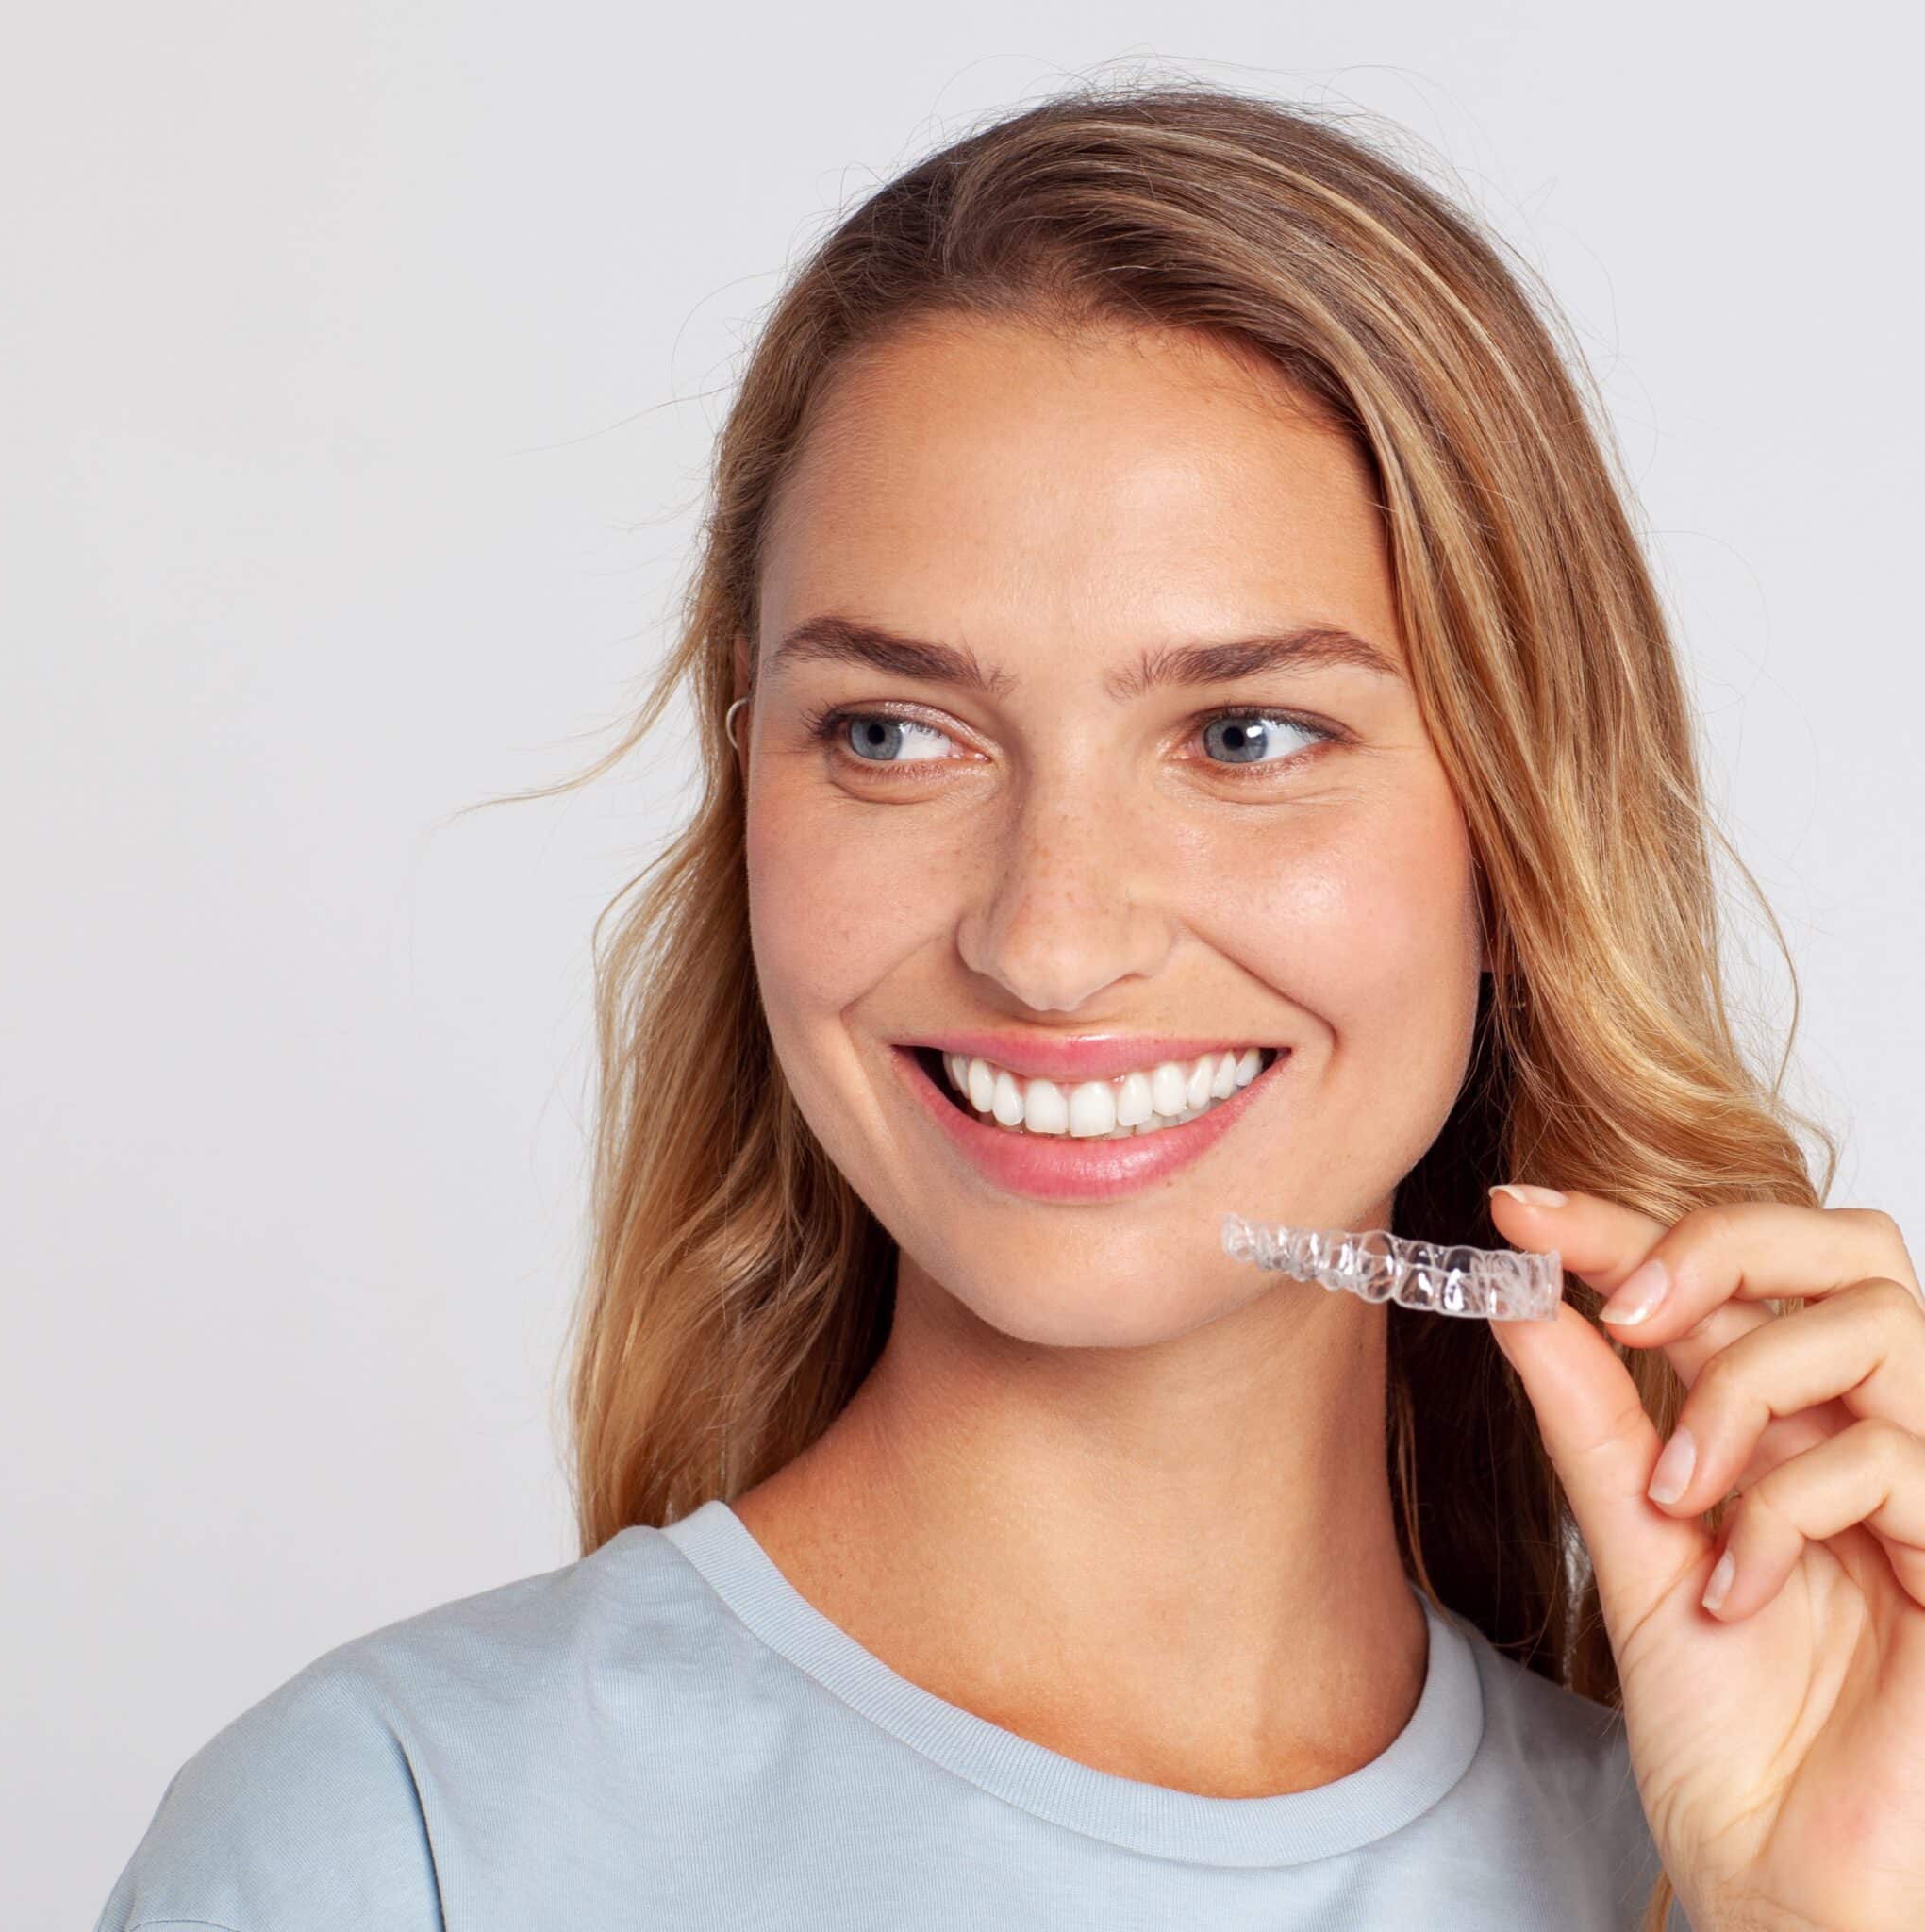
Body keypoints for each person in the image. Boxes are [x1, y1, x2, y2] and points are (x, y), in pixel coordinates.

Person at [95, 78, 1925, 1932]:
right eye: (891, 734)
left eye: (1243, 735)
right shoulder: (392, 1842)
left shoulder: (1746, 1843)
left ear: (1515, 841)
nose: (1050, 940)